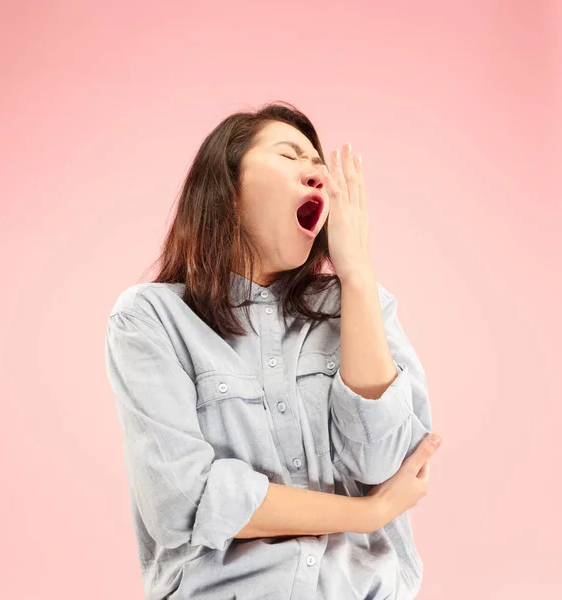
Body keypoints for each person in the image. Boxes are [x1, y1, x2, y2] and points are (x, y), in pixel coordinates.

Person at [104, 100, 442, 600]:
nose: (316, 173)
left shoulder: (361, 304)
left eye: (318, 165)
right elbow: (185, 500)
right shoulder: (150, 319)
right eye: (290, 156)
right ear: (228, 188)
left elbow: (385, 466)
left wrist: (356, 274)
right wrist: (368, 513)